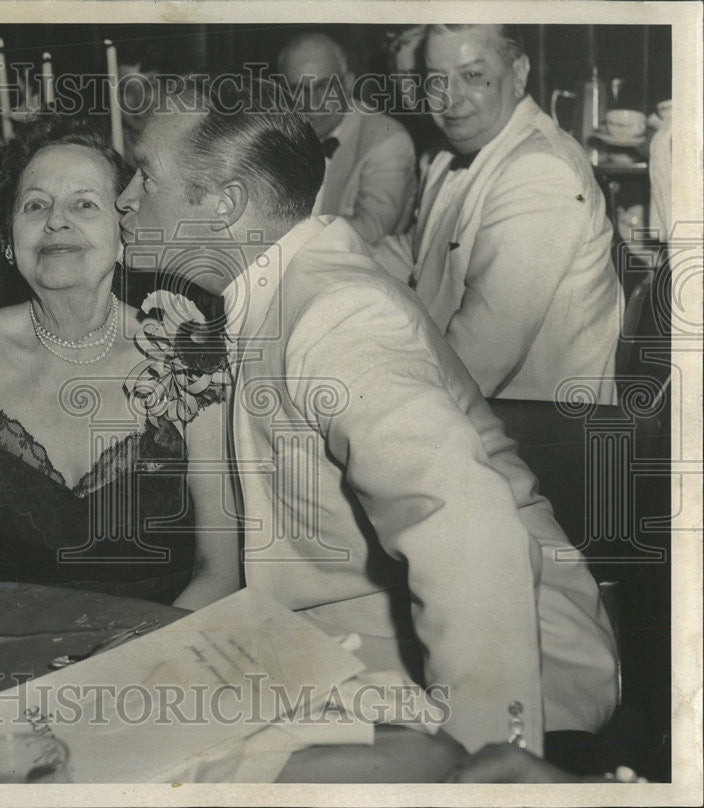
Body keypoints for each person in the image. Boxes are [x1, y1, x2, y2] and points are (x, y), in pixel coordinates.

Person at [117, 73, 618, 753]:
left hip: (511, 684)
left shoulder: (337, 314)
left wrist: (488, 764)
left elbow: (469, 533)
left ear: (227, 204)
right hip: (348, 655)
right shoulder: (276, 293)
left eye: (144, 176)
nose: (124, 200)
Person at [0, 116, 239, 609]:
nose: (56, 221)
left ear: (124, 231)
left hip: (160, 656)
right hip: (9, 655)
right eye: (35, 205)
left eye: (84, 204)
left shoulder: (188, 356)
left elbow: (219, 569)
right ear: (8, 237)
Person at [371, 24, 623, 403]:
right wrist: (319, 258)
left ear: (519, 75)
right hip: (475, 402)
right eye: (436, 79)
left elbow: (481, 357)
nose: (449, 98)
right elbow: (418, 250)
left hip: (545, 432)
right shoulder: (445, 155)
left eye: (473, 76)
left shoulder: (540, 169)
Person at [277, 31, 417, 245]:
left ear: (348, 84)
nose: (312, 102)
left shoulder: (388, 140)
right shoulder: (277, 135)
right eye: (298, 89)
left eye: (324, 86)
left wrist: (284, 240)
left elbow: (372, 229)